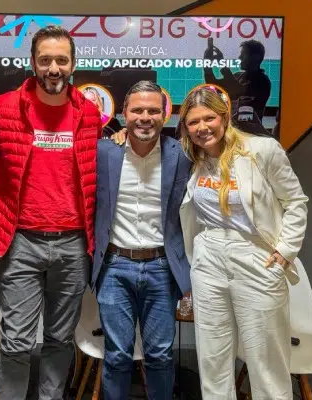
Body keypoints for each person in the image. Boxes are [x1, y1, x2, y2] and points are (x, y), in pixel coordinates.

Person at [0, 25, 101, 399]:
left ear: (73, 63)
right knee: (16, 341)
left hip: (74, 245)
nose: (53, 68)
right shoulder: (0, 110)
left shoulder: (89, 114)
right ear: (32, 63)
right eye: (45, 60)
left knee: (60, 338)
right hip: (21, 242)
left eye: (61, 60)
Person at [178, 84, 308, 399]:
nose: (202, 127)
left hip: (255, 257)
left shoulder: (262, 150)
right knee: (212, 359)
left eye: (209, 118)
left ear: (225, 117)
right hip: (208, 259)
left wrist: (284, 252)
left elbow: (296, 202)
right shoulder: (193, 157)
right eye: (193, 121)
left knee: (266, 360)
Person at [92, 81, 192, 399]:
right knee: (117, 355)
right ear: (124, 114)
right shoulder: (104, 152)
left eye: (153, 110)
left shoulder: (183, 155)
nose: (145, 117)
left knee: (160, 355)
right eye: (137, 110)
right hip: (114, 267)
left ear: (165, 115)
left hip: (162, 268)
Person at [204, 39, 272, 136]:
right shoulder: (238, 76)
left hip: (250, 135)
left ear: (255, 58)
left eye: (244, 54)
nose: (239, 57)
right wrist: (207, 64)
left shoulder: (262, 81)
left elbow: (237, 91)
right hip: (232, 134)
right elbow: (214, 85)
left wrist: (222, 63)